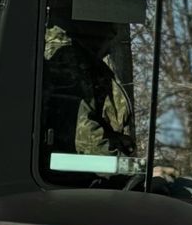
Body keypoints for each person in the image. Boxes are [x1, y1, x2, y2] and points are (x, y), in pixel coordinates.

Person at [42, 15, 136, 164]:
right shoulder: (67, 58)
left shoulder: (76, 55)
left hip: (71, 168)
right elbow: (83, 137)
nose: (113, 33)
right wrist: (131, 169)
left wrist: (114, 139)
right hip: (67, 174)